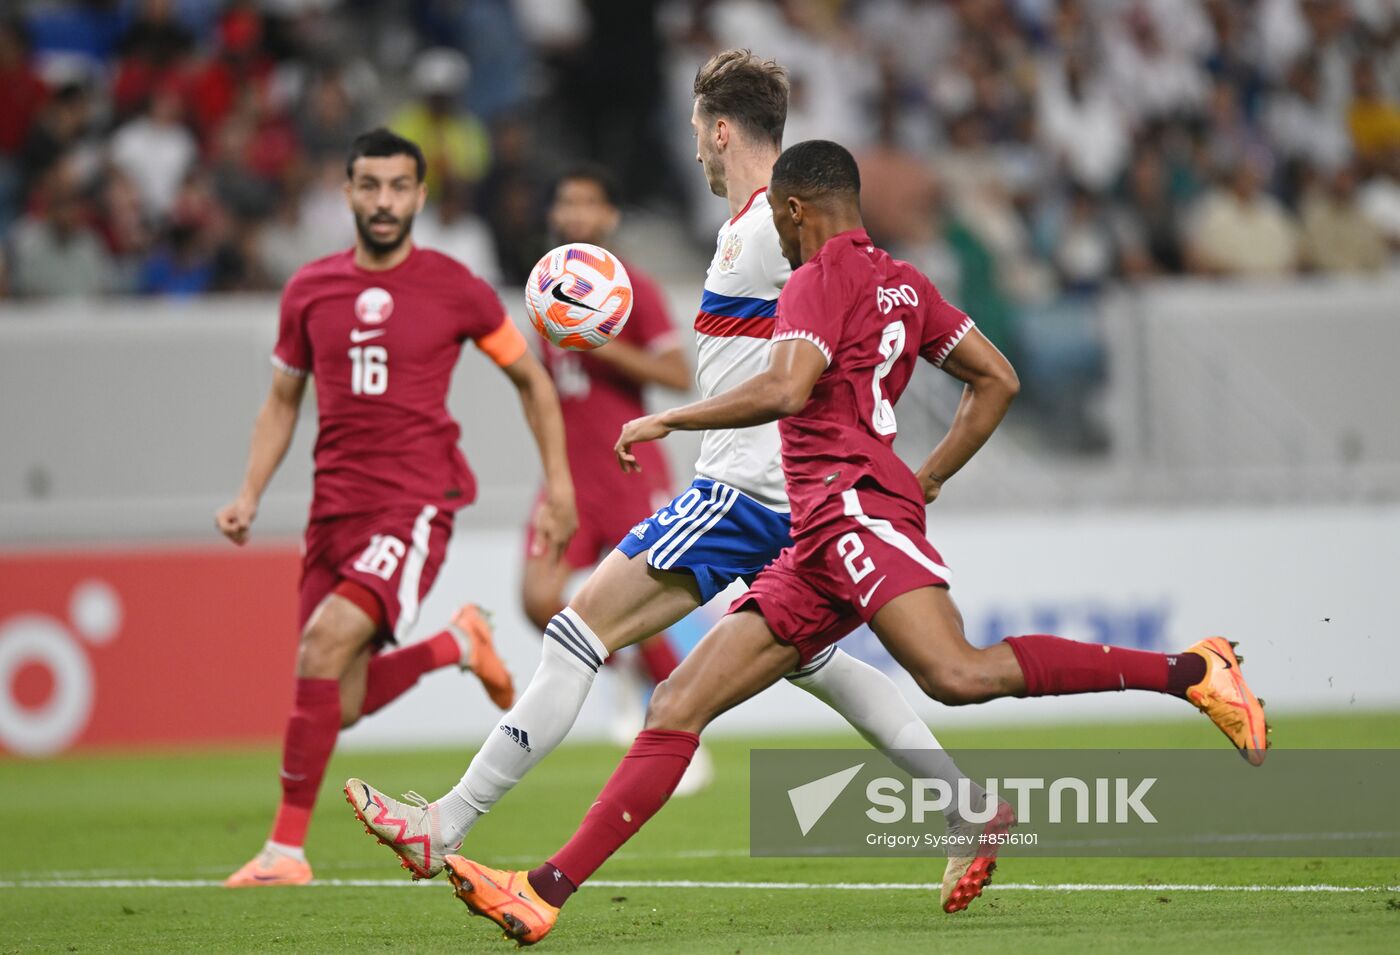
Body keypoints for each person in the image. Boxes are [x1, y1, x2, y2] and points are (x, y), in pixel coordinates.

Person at [443, 140, 1270, 945]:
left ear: (796, 208)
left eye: (779, 214)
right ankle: (542, 891)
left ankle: (1192, 672)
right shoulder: (906, 284)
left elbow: (786, 386)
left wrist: (670, 416)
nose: (778, 227)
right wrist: (931, 475)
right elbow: (998, 379)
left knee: (956, 673)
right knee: (677, 704)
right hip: (821, 531)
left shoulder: (812, 280)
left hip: (852, 513)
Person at [346, 52, 979, 900]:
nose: (692, 147)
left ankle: (444, 825)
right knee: (821, 662)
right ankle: (965, 805)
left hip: (743, 495)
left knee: (578, 633)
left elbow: (846, 298)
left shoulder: (768, 231)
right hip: (797, 499)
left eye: (695, 129)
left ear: (720, 130)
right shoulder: (761, 228)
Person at [217, 128, 577, 887]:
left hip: (413, 501)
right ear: (346, 192)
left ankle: (285, 851)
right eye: (370, 186)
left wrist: (560, 486)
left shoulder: (457, 286)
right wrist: (249, 492)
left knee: (320, 646)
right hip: (332, 514)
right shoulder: (308, 288)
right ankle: (456, 643)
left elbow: (532, 381)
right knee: (336, 703)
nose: (384, 201)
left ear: (421, 195)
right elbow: (281, 401)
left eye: (399, 187)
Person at [520, 164, 710, 787]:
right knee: (536, 597)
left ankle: (679, 734)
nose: (576, 214)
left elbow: (679, 376)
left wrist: (597, 337)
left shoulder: (632, 290)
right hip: (570, 478)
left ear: (609, 217)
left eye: (588, 203)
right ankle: (623, 668)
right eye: (566, 202)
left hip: (629, 471)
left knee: (641, 604)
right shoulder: (545, 296)